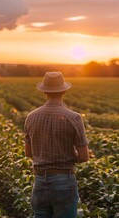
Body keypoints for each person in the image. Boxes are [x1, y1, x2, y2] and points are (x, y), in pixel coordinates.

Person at [24, 71, 89, 218]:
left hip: (39, 182)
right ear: (64, 90)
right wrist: (73, 156)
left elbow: (28, 153)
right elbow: (84, 156)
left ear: (44, 91)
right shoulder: (74, 118)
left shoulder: (31, 117)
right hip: (64, 182)